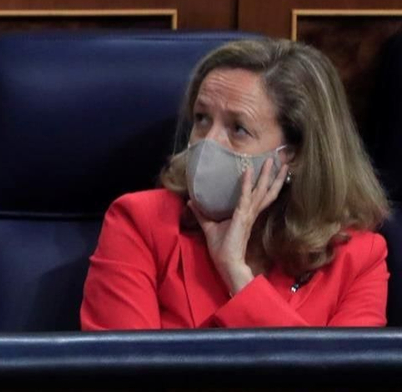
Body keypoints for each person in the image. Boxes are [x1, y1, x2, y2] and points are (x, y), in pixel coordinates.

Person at [81, 39, 390, 329]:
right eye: (202, 119)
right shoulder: (141, 223)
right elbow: (125, 375)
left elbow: (337, 381)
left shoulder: (358, 258)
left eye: (238, 128)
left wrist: (237, 275)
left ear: (294, 154)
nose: (208, 142)